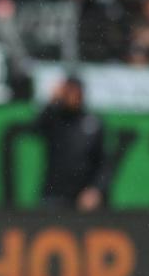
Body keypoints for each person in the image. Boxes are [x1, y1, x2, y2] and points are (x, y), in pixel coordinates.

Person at [36, 76, 110, 211]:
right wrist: (51, 101)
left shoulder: (93, 123)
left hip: (83, 196)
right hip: (54, 194)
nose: (72, 96)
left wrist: (96, 189)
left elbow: (103, 162)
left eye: (75, 92)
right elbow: (37, 126)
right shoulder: (55, 118)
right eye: (68, 92)